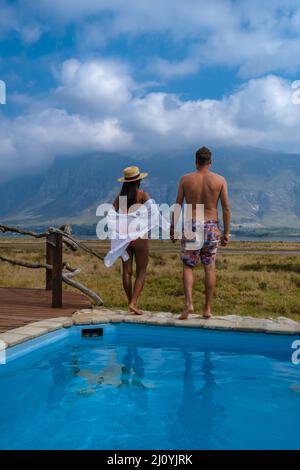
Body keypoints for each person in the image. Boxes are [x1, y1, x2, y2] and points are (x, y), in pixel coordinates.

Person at [171, 146, 231, 320]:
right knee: (209, 267)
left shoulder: (185, 179)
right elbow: (226, 208)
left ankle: (189, 304)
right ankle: (207, 309)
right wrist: (226, 232)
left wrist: (173, 228)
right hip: (211, 226)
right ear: (210, 162)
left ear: (196, 161)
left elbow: (177, 205)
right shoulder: (220, 180)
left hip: (191, 225)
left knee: (188, 266)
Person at [106, 166, 150, 315]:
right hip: (140, 237)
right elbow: (153, 213)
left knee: (127, 272)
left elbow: (110, 215)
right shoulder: (143, 195)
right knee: (141, 271)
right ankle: (134, 302)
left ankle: (130, 302)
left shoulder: (119, 198)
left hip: (124, 237)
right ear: (139, 180)